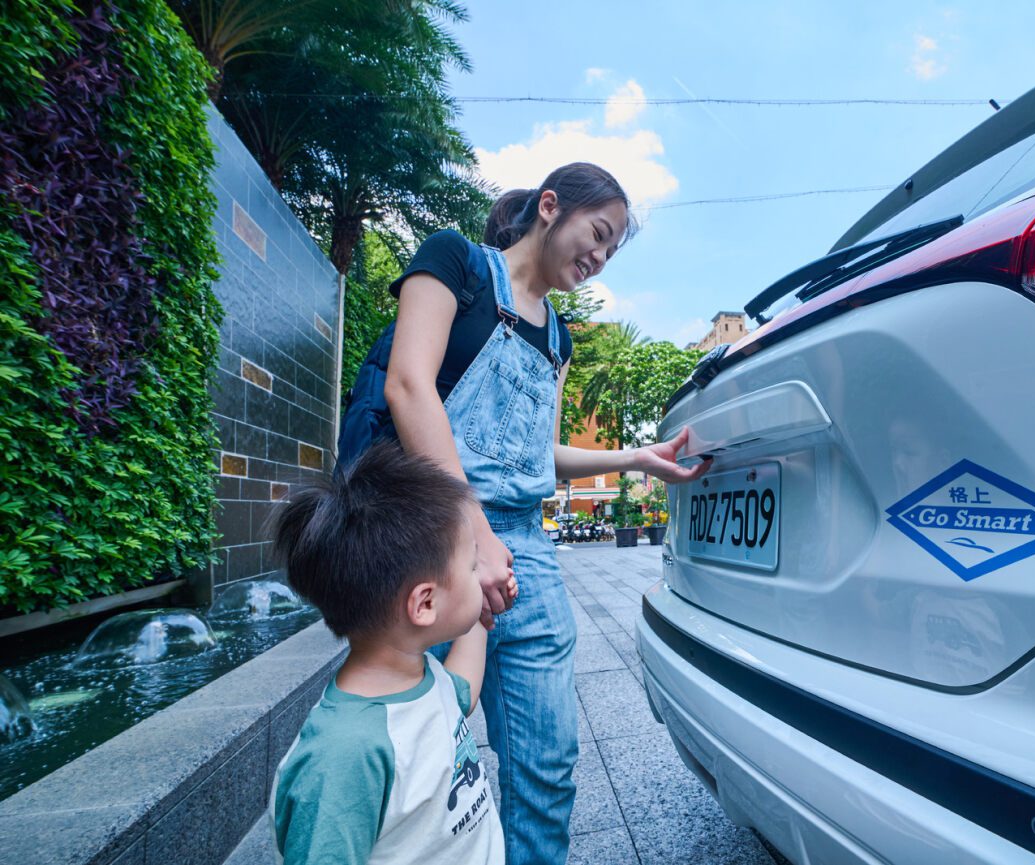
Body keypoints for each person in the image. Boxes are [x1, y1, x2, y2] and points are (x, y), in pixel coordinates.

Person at [346, 161, 709, 864]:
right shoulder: (454, 262)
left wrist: (637, 458)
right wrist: (473, 534)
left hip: (523, 551)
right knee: (401, 750)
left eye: (612, 250)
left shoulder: (558, 339)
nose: (600, 258)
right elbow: (408, 385)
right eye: (598, 234)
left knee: (546, 765)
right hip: (417, 536)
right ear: (551, 207)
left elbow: (534, 453)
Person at [268, 442, 503, 865]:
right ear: (424, 604)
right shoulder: (344, 757)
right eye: (472, 567)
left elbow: (460, 692)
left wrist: (481, 613)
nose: (479, 574)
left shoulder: (417, 674)